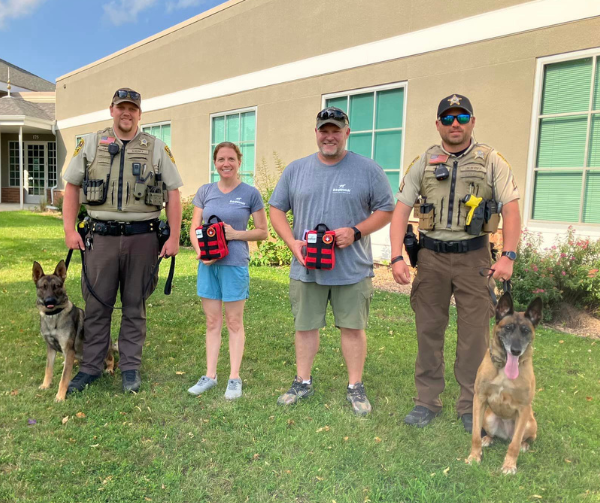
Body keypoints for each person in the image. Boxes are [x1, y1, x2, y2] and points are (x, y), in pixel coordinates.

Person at [390, 93, 521, 431]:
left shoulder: (492, 159)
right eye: (447, 119)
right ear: (438, 125)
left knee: (474, 336)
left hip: (474, 259)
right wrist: (395, 256)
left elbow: (510, 208)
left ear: (472, 122)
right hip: (431, 259)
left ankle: (469, 404)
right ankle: (426, 401)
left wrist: (508, 255)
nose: (455, 124)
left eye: (462, 118)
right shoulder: (424, 161)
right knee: (428, 331)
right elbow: (402, 209)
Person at [269, 107, 395, 416]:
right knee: (305, 326)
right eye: (324, 130)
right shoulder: (296, 170)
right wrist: (291, 243)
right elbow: (275, 209)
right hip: (306, 266)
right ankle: (302, 381)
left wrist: (356, 231)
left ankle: (355, 386)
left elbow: (386, 210)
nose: (329, 136)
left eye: (336, 130)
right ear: (316, 133)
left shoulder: (368, 170)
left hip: (351, 268)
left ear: (347, 133)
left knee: (352, 328)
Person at [63, 87, 183, 394]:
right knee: (97, 304)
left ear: (140, 113)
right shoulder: (90, 144)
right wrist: (69, 230)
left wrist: (172, 237)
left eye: (132, 108)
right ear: (112, 110)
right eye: (121, 107)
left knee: (134, 304)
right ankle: (91, 366)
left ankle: (130, 368)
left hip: (142, 238)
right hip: (100, 238)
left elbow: (172, 193)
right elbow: (72, 188)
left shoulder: (156, 147)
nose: (126, 112)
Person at [187, 142, 268, 400]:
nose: (226, 163)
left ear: (239, 161)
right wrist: (201, 253)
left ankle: (234, 378)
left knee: (234, 322)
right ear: (215, 162)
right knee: (212, 321)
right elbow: (194, 227)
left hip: (234, 265)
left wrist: (236, 234)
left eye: (231, 159)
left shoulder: (250, 194)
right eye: (221, 159)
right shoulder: (205, 191)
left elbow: (263, 231)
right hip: (208, 266)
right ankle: (210, 376)